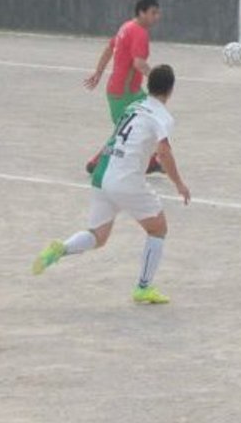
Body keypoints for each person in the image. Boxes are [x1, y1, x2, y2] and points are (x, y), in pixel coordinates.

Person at [33, 64, 191, 304]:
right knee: (158, 229)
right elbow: (164, 152)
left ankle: (60, 249)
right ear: (170, 90)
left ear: (149, 86)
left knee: (98, 236)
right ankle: (143, 288)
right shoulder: (162, 116)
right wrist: (179, 183)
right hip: (126, 180)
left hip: (102, 174)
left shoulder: (133, 106)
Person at [83, 0, 161, 174]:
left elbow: (110, 48)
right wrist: (158, 79)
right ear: (141, 12)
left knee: (148, 121)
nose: (157, 17)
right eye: (153, 13)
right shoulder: (139, 33)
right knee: (126, 132)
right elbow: (139, 63)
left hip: (127, 91)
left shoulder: (126, 26)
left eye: (158, 13)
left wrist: (98, 73)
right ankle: (97, 162)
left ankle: (150, 162)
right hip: (124, 94)